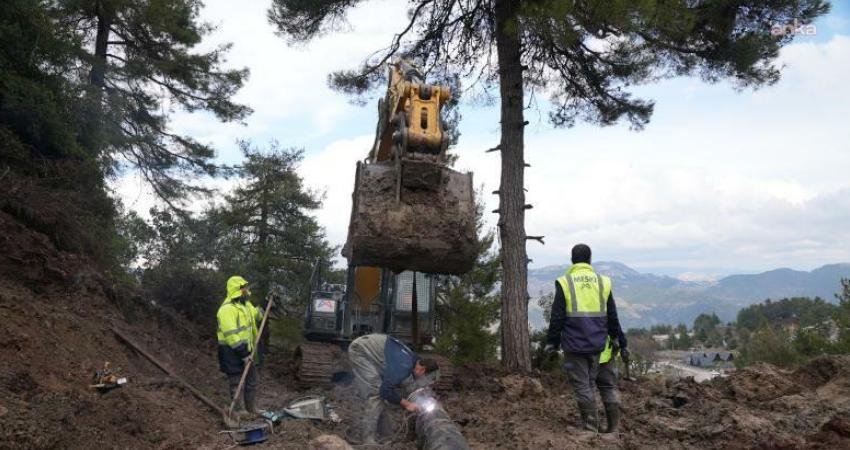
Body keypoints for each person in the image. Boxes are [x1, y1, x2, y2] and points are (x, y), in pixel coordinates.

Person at [545, 244, 628, 433]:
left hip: (575, 345)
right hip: (601, 346)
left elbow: (557, 316)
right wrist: (620, 341)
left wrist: (552, 342)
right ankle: (613, 430)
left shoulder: (565, 282)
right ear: (590, 259)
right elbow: (612, 316)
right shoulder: (602, 282)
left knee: (583, 386)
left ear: (572, 260)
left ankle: (591, 430)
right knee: (606, 385)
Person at [347, 333, 440, 444]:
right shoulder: (403, 365)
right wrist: (407, 404)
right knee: (376, 393)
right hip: (360, 350)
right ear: (422, 370)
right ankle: (368, 439)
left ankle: (385, 433)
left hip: (374, 351)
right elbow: (385, 391)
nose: (423, 382)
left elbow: (404, 385)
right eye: (425, 379)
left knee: (386, 394)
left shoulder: (415, 360)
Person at [216, 275, 263, 415]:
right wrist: (243, 354)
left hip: (247, 349)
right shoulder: (226, 309)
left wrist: (266, 304)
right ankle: (239, 411)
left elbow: (258, 315)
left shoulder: (246, 305)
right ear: (238, 289)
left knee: (252, 379)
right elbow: (231, 336)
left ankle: (251, 408)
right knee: (236, 382)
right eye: (245, 287)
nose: (248, 290)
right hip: (231, 351)